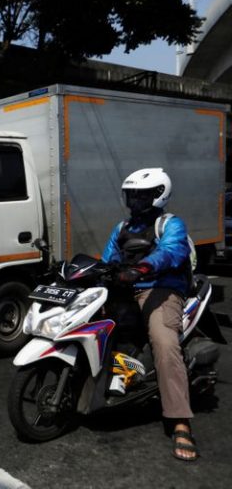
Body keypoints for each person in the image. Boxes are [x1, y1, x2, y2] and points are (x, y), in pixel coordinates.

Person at [101, 167, 197, 462]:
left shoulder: (170, 224)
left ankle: (180, 421)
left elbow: (171, 252)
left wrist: (142, 268)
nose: (135, 201)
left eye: (141, 195)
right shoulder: (122, 228)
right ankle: (118, 374)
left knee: (164, 341)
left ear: (158, 195)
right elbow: (107, 260)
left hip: (160, 289)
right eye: (131, 195)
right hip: (126, 290)